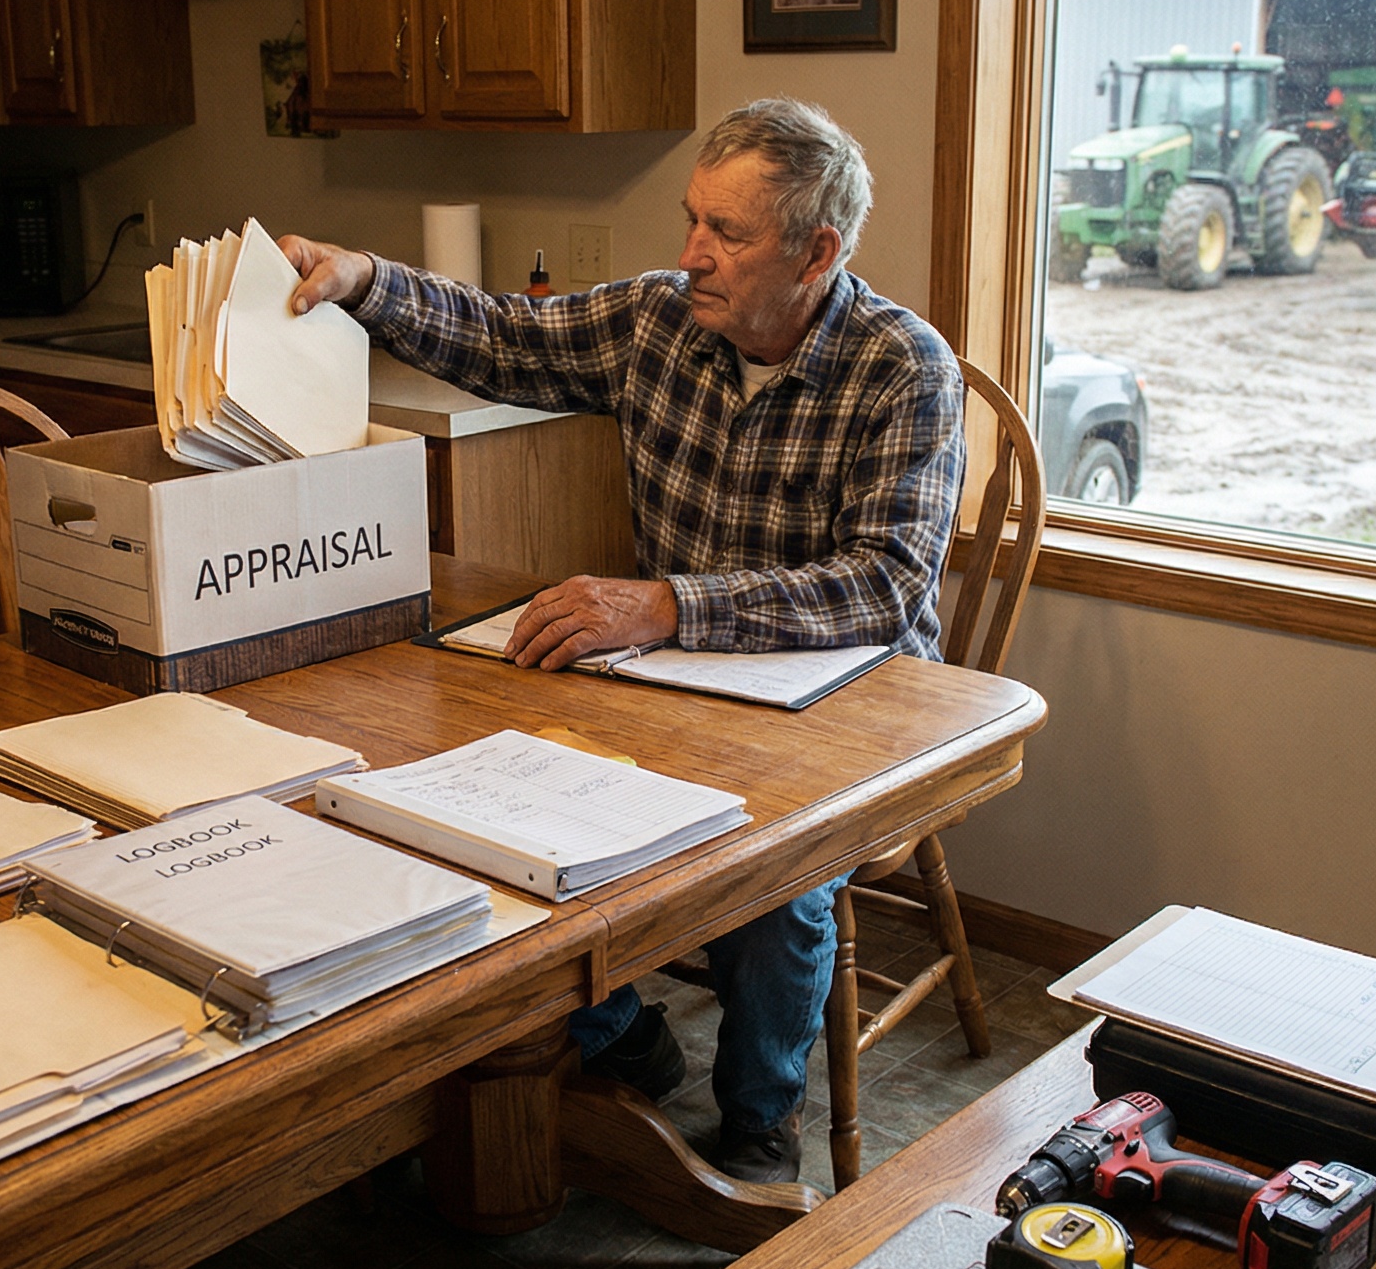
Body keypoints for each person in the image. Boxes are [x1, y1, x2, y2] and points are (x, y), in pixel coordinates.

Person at [278, 98, 964, 1183]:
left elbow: (881, 587)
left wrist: (668, 605)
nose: (690, 255)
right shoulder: (656, 320)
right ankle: (616, 1035)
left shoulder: (903, 368)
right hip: (667, 682)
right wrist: (365, 278)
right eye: (693, 220)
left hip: (844, 704)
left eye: (727, 235)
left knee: (776, 878)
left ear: (817, 250)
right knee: (477, 796)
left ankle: (757, 1130)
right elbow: (501, 336)